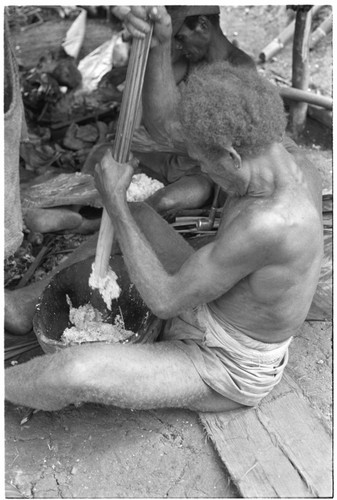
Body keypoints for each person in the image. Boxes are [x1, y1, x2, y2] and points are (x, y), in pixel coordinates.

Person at [5, 6, 323, 413]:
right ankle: (22, 305)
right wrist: (159, 42)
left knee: (75, 372)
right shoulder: (275, 155)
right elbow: (167, 127)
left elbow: (165, 300)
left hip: (222, 362)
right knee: (140, 217)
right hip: (208, 304)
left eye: (205, 165)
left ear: (230, 155)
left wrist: (116, 201)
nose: (202, 171)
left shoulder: (272, 223)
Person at [112, 5, 257, 217]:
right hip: (177, 158)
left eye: (180, 37)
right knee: (106, 157)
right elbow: (152, 94)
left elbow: (226, 148)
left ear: (202, 25)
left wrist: (159, 142)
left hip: (208, 172)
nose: (178, 46)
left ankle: (95, 226)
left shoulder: (241, 69)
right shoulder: (191, 61)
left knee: (165, 201)